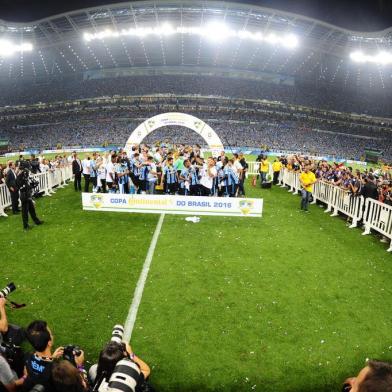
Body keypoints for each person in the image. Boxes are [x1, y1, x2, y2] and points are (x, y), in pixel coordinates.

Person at [24, 320, 84, 391]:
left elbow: (42, 369)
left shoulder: (28, 358)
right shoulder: (58, 372)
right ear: (49, 343)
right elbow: (81, 386)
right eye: (51, 334)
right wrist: (79, 366)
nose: (52, 335)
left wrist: (52, 358)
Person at [16, 164, 43, 230]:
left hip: (27, 195)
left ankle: (37, 221)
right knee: (25, 212)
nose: (27, 172)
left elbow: (28, 184)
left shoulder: (23, 176)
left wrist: (33, 184)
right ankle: (26, 226)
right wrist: (31, 185)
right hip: (24, 196)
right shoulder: (20, 177)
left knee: (32, 209)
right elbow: (22, 187)